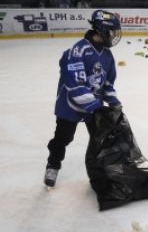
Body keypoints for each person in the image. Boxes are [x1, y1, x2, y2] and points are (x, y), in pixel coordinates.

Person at [44, 10, 122, 188]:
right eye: (111, 32)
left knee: (100, 139)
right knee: (63, 138)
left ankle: (100, 172)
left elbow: (108, 85)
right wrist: (97, 107)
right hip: (69, 105)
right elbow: (76, 88)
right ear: (101, 30)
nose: (113, 36)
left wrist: (115, 103)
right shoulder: (77, 51)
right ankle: (53, 165)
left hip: (94, 106)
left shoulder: (108, 56)